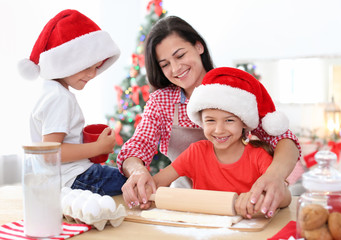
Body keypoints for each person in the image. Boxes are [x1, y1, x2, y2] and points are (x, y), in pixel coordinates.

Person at [118, 16, 300, 217]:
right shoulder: (161, 101)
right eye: (165, 64)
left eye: (180, 55)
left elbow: (284, 139)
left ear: (198, 47)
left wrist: (273, 177)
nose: (176, 68)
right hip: (187, 202)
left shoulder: (231, 89)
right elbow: (139, 145)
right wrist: (137, 171)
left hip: (241, 205)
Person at [123, 67, 292, 218]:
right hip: (201, 229)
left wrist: (261, 198)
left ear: (244, 123)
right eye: (210, 121)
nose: (219, 130)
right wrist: (143, 192)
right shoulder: (196, 152)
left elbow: (285, 197)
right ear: (201, 122)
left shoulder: (258, 156)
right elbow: (157, 182)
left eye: (229, 121)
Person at [18, 9, 127, 196]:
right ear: (65, 62)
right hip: (73, 179)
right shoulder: (59, 98)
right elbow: (50, 153)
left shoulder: (52, 92)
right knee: (131, 183)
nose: (93, 74)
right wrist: (97, 148)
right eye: (87, 67)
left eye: (96, 67)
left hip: (63, 177)